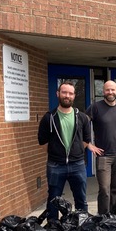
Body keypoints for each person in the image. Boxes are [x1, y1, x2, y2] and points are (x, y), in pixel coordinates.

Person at [37, 81, 97, 220]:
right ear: (58, 94)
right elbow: (43, 142)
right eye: (64, 92)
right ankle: (53, 229)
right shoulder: (49, 117)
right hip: (55, 166)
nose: (67, 96)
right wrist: (57, 154)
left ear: (74, 96)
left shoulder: (82, 117)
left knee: (81, 200)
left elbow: (86, 140)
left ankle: (82, 227)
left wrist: (74, 153)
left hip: (77, 165)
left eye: (70, 93)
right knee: (53, 200)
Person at [86, 80, 116, 215]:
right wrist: (88, 144)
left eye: (112, 90)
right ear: (103, 92)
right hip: (104, 156)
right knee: (104, 188)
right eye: (107, 90)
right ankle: (103, 218)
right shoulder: (95, 107)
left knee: (114, 189)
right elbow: (82, 125)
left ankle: (112, 216)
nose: (110, 92)